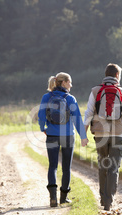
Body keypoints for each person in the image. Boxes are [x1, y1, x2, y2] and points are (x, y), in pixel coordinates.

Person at [84, 63, 122, 211]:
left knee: (103, 165)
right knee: (114, 167)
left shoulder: (95, 91)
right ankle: (109, 202)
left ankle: (102, 197)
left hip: (100, 133)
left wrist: (83, 134)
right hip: (118, 134)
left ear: (106, 75)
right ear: (117, 75)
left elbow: (89, 113)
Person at [38, 72, 89, 207]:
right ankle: (63, 197)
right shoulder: (70, 98)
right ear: (64, 83)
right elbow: (77, 119)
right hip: (67, 136)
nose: (71, 85)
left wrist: (42, 127)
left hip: (52, 135)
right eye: (70, 82)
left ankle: (52, 197)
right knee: (66, 167)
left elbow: (41, 115)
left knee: (53, 166)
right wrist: (83, 137)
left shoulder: (46, 97)